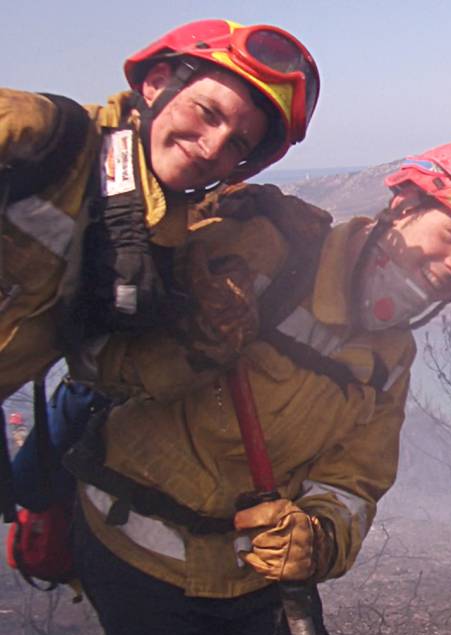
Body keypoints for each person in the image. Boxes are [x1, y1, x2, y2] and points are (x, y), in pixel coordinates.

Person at [65, 142, 451, 635]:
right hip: (138, 555)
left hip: (257, 569)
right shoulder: (263, 251)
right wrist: (189, 345)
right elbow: (96, 354)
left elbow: (354, 482)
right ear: (403, 207)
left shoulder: (390, 356)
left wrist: (314, 537)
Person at [0, 18, 319, 403]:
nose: (211, 148)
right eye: (207, 113)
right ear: (155, 85)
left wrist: (205, 343)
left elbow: (103, 368)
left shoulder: (163, 243)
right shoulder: (41, 134)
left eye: (236, 143)